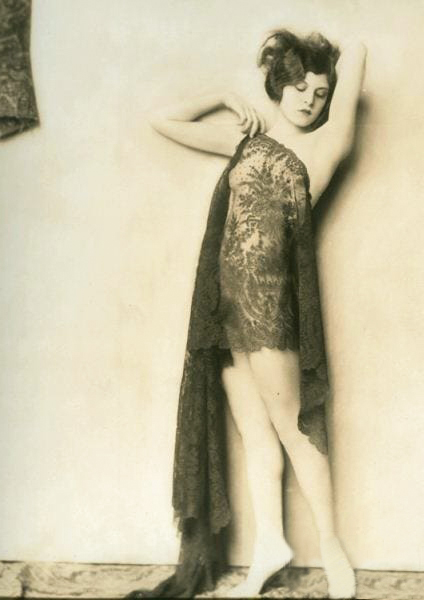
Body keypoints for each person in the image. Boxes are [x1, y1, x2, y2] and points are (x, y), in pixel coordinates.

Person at [126, 29, 366, 599]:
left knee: (295, 429)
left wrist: (321, 54)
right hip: (223, 306)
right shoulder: (245, 142)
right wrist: (221, 96)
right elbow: (163, 120)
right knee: (256, 434)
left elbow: (357, 52)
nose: (310, 99)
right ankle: (269, 549)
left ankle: (332, 547)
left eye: (321, 92)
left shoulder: (328, 144)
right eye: (299, 86)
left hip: (269, 306)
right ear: (278, 85)